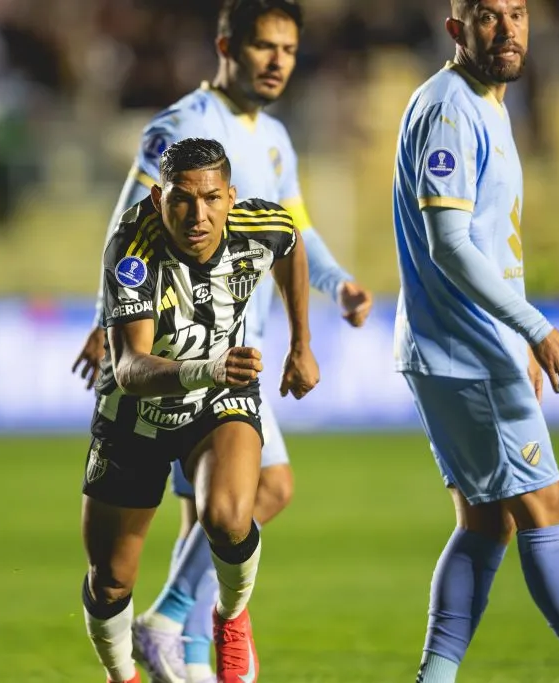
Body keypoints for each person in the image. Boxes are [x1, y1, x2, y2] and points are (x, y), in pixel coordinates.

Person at [73, 2, 372, 681]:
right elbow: (131, 220)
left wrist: (339, 285)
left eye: (288, 50)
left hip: (241, 345)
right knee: (263, 489)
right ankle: (174, 618)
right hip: (183, 352)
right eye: (263, 46)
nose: (276, 61)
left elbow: (293, 232)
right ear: (225, 47)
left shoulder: (275, 138)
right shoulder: (182, 127)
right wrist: (107, 320)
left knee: (211, 514)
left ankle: (188, 656)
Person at [391, 2, 559, 681]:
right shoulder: (449, 108)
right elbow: (451, 245)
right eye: (489, 16)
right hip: (467, 350)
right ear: (456, 29)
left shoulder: (486, 103)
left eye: (518, 13)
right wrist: (536, 327)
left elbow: (493, 245)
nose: (508, 28)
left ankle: (434, 677)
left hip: (464, 346)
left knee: (485, 520)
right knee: (546, 505)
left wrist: (517, 337)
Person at [80, 137, 319, 683]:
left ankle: (229, 619)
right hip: (134, 416)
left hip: (217, 403)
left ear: (230, 197)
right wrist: (207, 368)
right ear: (160, 198)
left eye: (211, 198)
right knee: (111, 581)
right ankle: (124, 676)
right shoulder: (132, 250)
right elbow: (130, 368)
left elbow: (292, 244)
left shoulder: (261, 225)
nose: (198, 215)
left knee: (230, 519)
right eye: (182, 200)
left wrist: (300, 344)